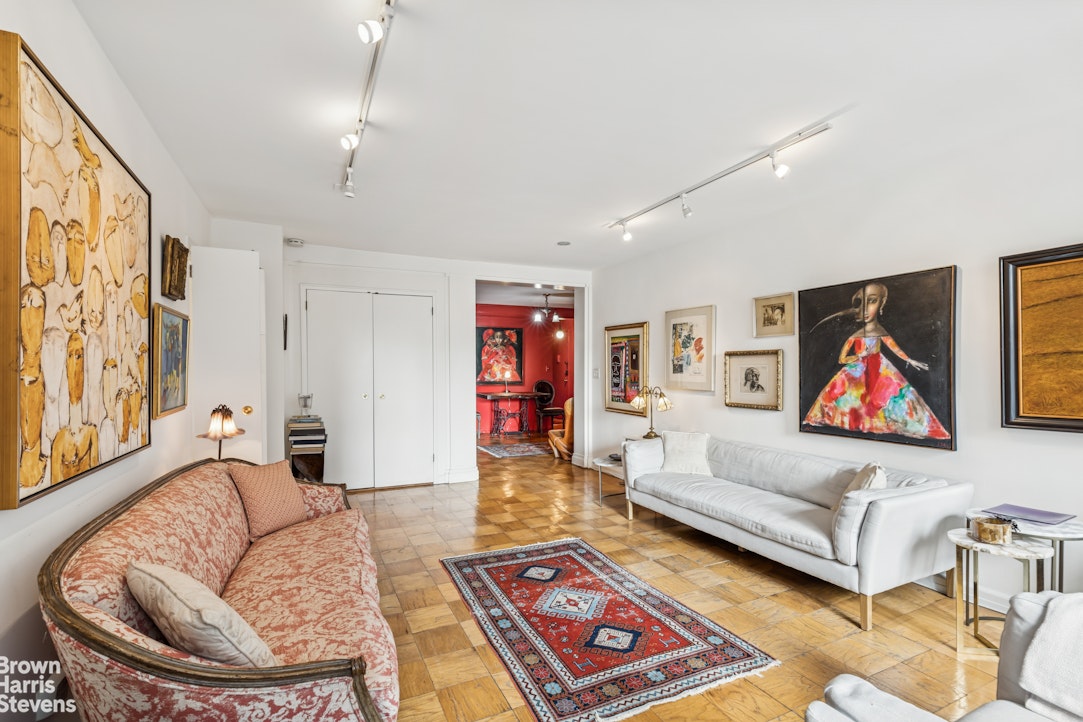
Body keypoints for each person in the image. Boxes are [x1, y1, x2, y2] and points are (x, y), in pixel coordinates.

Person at [803, 282, 949, 439]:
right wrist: (859, 357)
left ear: (882, 303)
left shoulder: (880, 332)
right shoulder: (854, 336)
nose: (865, 309)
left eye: (872, 301)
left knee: (891, 396)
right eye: (861, 303)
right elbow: (842, 359)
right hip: (857, 371)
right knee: (845, 398)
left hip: (879, 369)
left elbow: (894, 348)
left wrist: (909, 360)